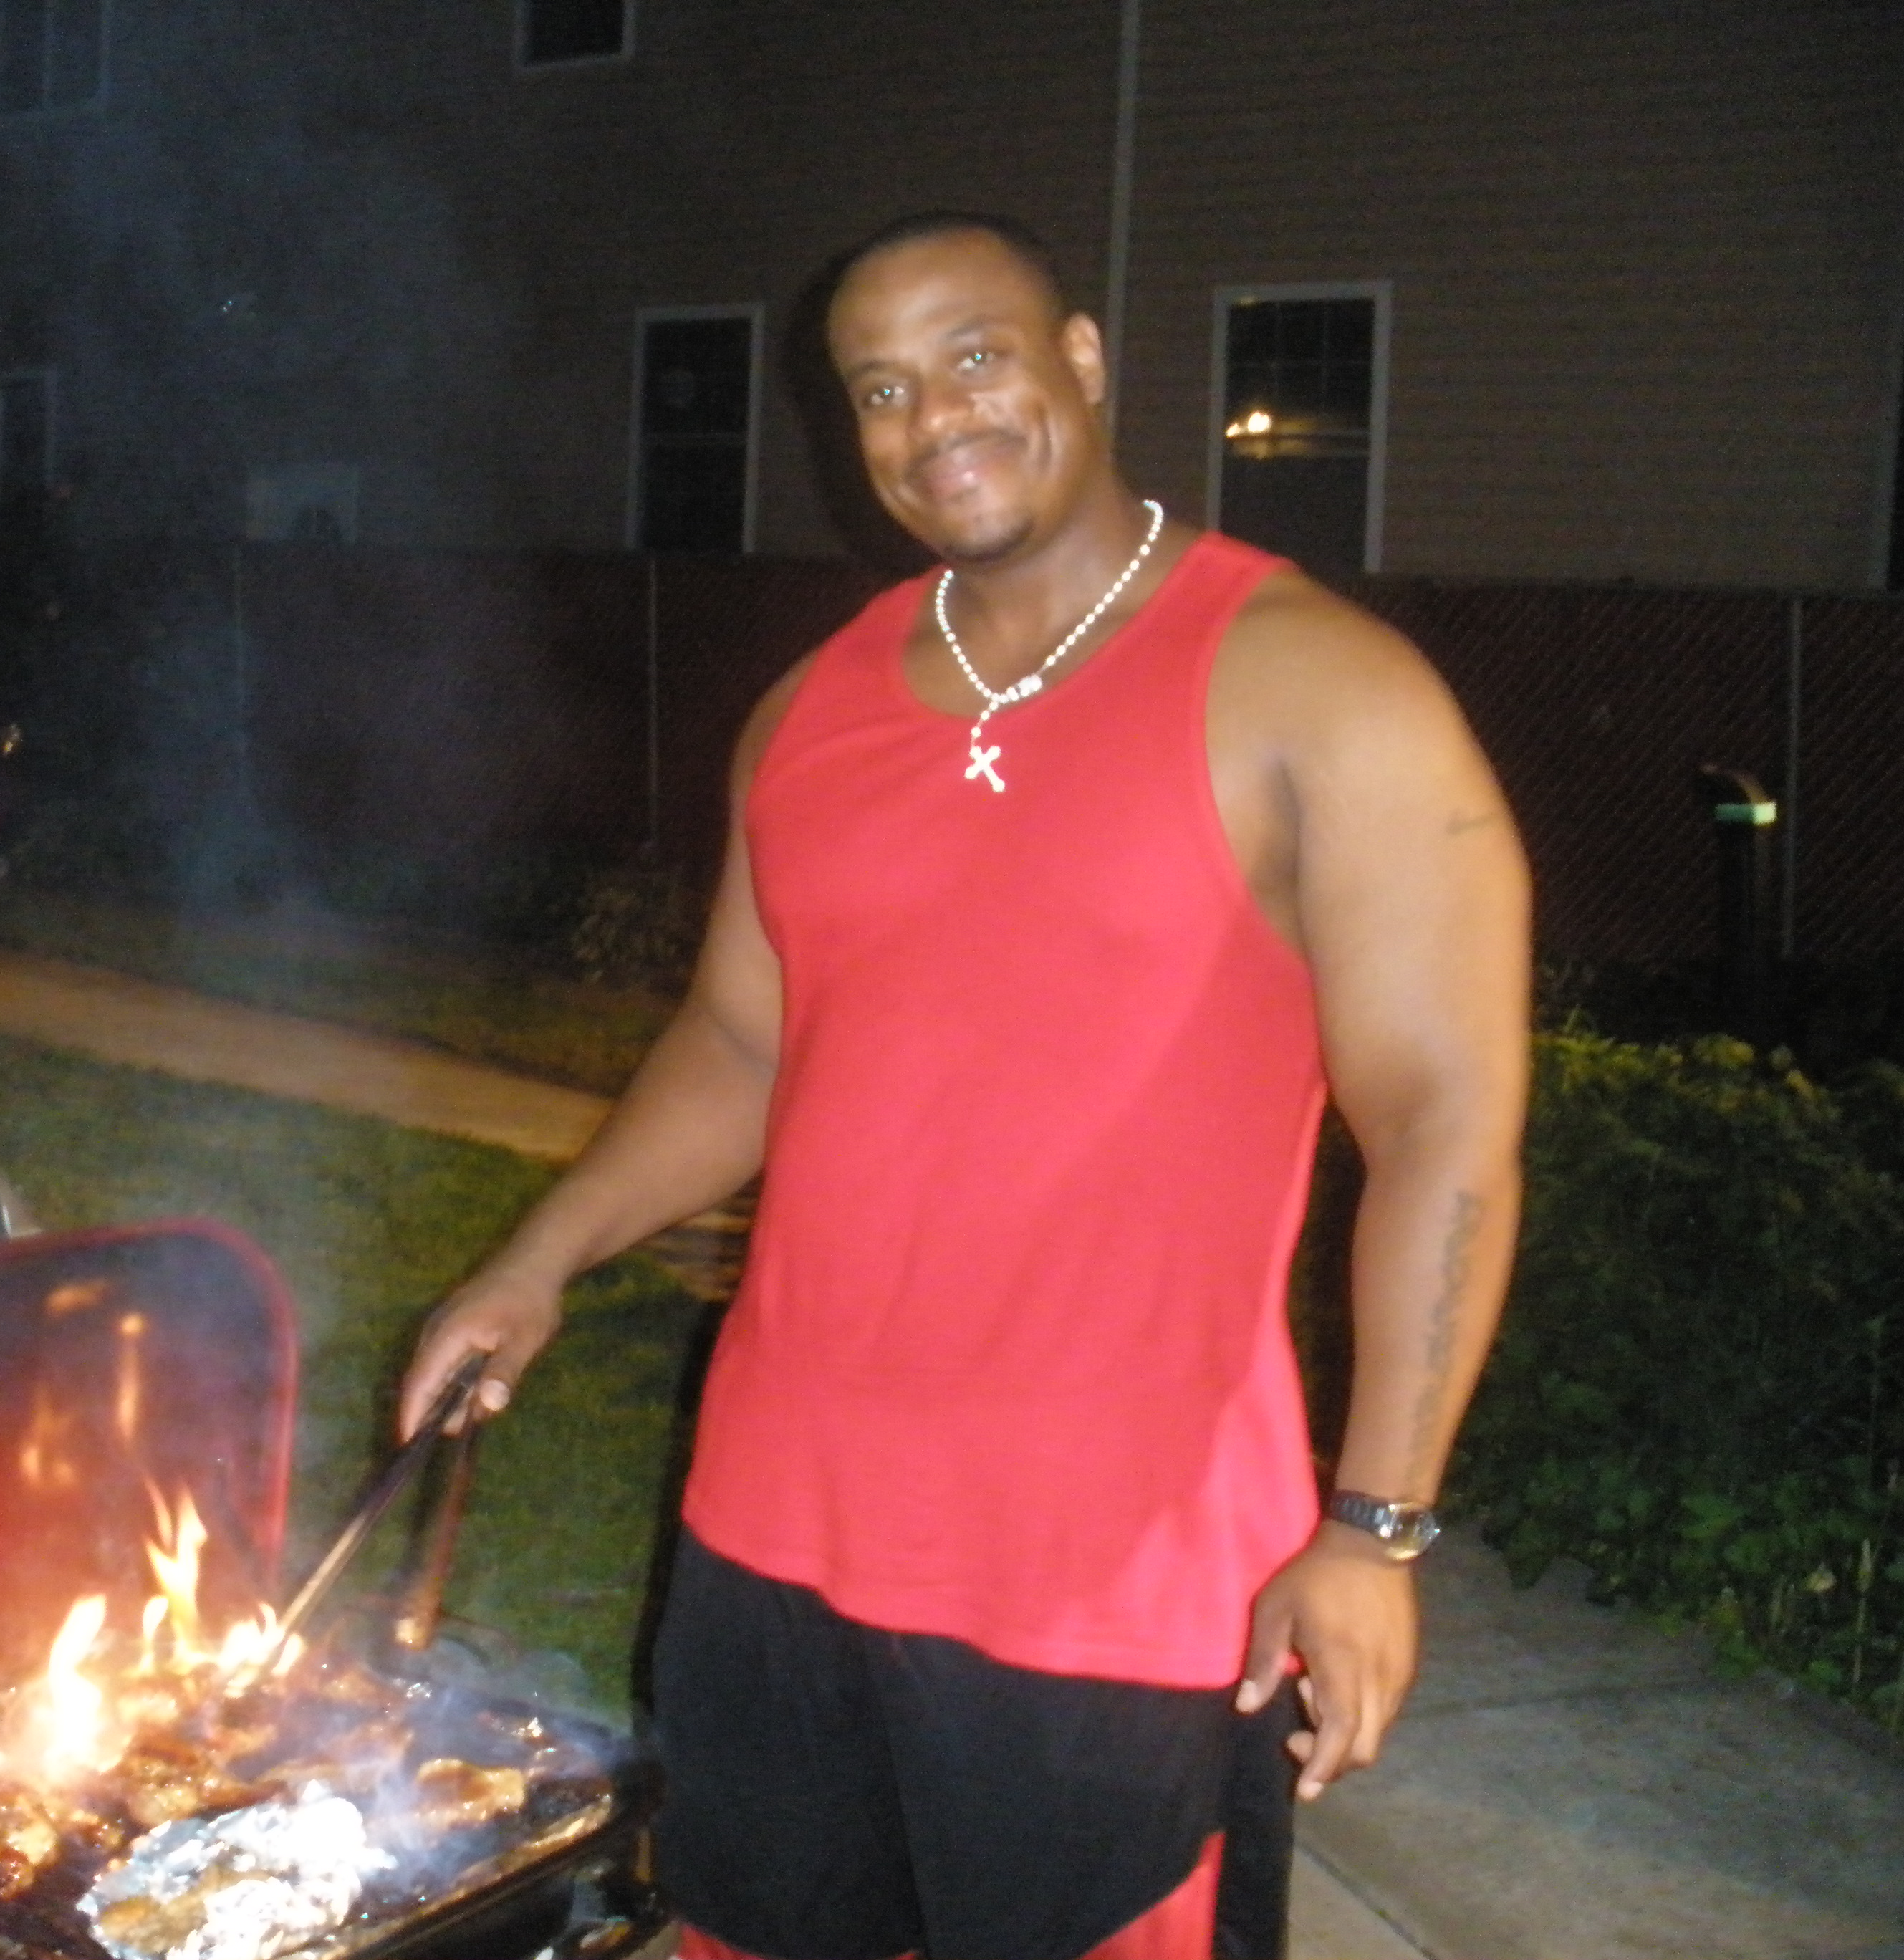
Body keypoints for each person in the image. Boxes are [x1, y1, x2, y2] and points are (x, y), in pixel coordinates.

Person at [400, 211, 1531, 1960]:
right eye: (880, 389)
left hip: (1116, 1578)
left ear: (1083, 359)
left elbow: (1446, 1119)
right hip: (770, 1527)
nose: (934, 418)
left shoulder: (1320, 686)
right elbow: (742, 1044)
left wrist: (1375, 1526)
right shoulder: (807, 710)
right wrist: (537, 1260)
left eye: (976, 357)